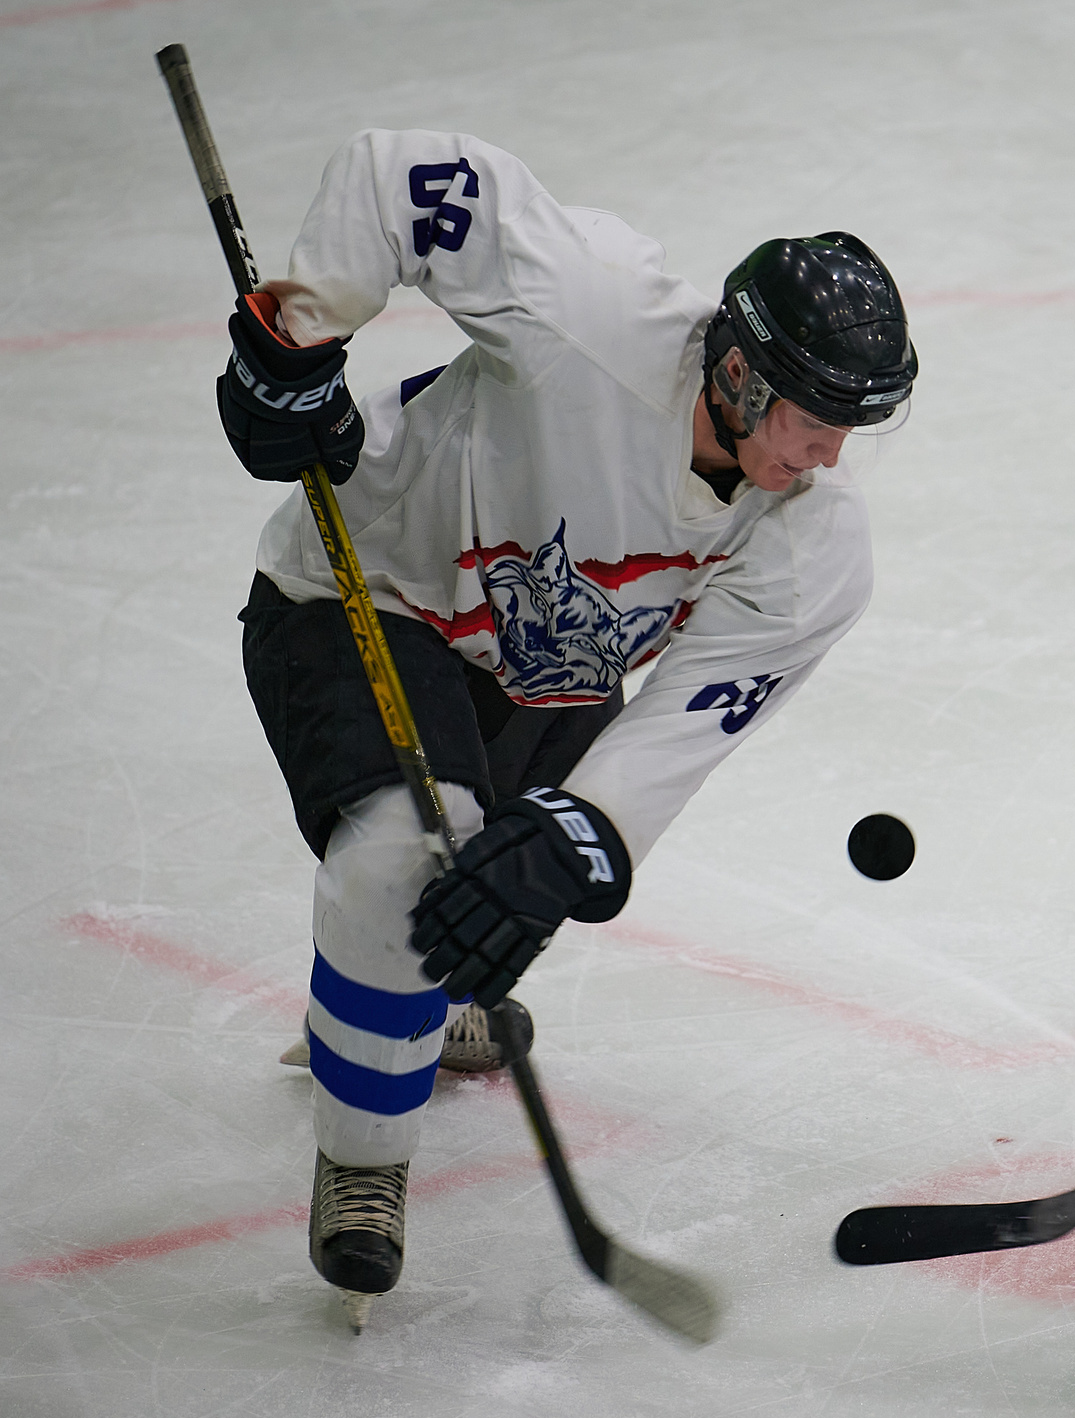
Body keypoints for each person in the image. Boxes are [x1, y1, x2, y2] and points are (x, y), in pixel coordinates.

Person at [221, 129, 914, 1321]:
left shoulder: (814, 547)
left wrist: (573, 838)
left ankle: (416, 1010)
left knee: (496, 877)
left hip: (548, 671)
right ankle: (364, 1159)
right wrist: (301, 338)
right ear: (740, 372)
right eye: (812, 416)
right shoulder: (595, 310)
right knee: (403, 855)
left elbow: (682, 727)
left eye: (852, 428)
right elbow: (404, 173)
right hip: (366, 589)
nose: (825, 456)